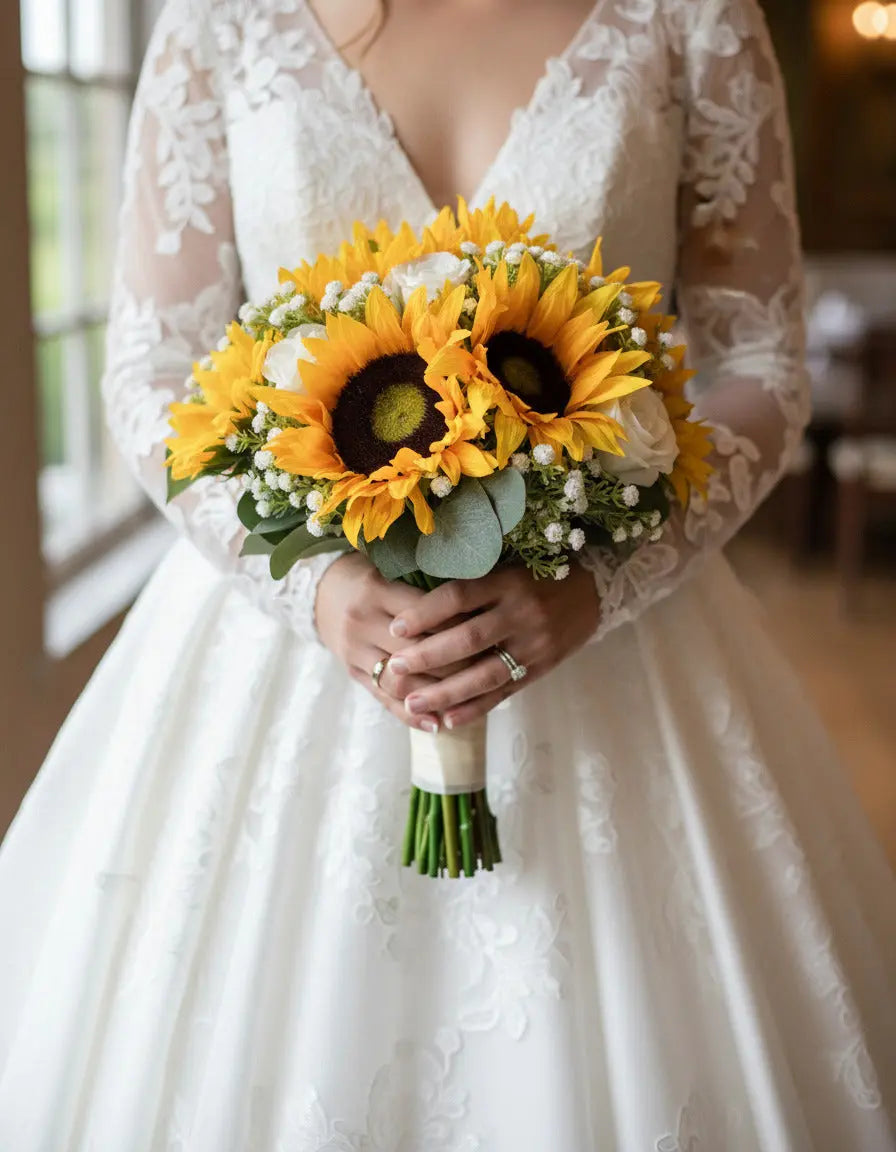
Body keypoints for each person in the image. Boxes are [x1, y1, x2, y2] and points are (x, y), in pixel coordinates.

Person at [1, 0, 894, 1146]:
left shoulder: (691, 15)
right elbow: (151, 369)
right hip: (290, 647)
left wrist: (599, 584)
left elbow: (760, 360)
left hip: (606, 637)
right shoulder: (222, 18)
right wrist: (310, 587)